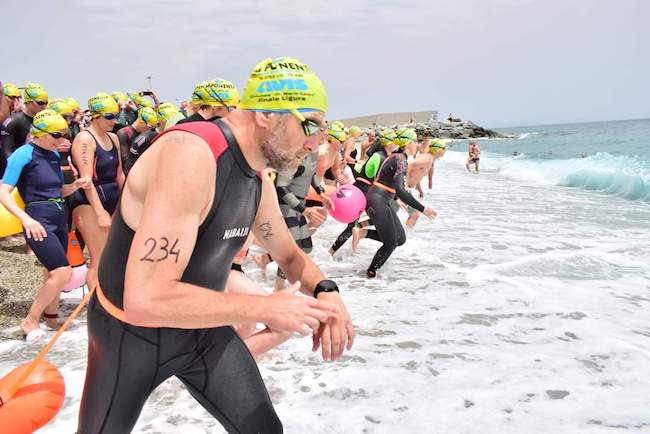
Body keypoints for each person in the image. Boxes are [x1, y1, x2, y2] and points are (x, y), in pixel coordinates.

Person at [77, 57, 355, 434]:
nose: (315, 143)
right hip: (129, 336)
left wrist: (327, 291)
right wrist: (266, 307)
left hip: (202, 330)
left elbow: (289, 255)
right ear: (265, 115)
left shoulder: (256, 177)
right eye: (310, 126)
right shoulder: (189, 155)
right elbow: (145, 299)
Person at [0, 110, 91, 338]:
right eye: (57, 134)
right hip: (38, 218)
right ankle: (30, 320)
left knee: (51, 272)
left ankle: (51, 320)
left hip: (58, 215)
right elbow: (3, 192)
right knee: (62, 273)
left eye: (65, 134)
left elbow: (57, 191)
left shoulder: (52, 155)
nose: (62, 139)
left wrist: (76, 186)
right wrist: (26, 219)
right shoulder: (23, 154)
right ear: (39, 133)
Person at [70, 92, 125, 293]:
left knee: (114, 255)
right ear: (95, 115)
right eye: (109, 116)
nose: (115, 120)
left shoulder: (113, 138)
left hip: (112, 198)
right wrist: (100, 212)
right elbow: (86, 181)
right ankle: (96, 305)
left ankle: (107, 300)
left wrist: (126, 202)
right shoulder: (85, 139)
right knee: (99, 256)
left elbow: (120, 174)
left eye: (116, 115)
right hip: (88, 202)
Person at [363, 130, 436, 277]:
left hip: (382, 199)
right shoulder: (400, 160)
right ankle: (370, 275)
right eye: (416, 142)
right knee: (390, 244)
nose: (418, 145)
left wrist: (397, 198)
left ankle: (362, 231)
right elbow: (401, 190)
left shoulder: (398, 157)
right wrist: (423, 209)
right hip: (378, 200)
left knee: (400, 239)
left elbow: (396, 188)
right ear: (408, 143)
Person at [329, 128, 397, 256]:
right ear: (388, 143)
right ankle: (336, 248)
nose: (396, 144)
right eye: (394, 141)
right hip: (363, 192)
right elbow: (379, 179)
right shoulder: (380, 156)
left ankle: (333, 250)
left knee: (356, 225)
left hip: (361, 191)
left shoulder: (380, 155)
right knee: (385, 218)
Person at [404, 138, 446, 228]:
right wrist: (405, 184)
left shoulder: (429, 158)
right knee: (415, 214)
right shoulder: (427, 159)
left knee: (391, 212)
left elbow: (415, 173)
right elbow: (409, 165)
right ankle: (405, 236)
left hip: (405, 188)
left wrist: (419, 188)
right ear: (439, 150)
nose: (445, 150)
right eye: (444, 148)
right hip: (403, 188)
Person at [2, 83, 49, 160]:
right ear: (28, 102)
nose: (44, 107)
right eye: (40, 103)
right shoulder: (13, 121)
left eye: (46, 103)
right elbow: (7, 153)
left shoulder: (44, 122)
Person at [116, 107, 158, 173]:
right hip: (127, 172)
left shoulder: (146, 135)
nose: (150, 130)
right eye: (150, 127)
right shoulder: (123, 133)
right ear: (142, 122)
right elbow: (124, 158)